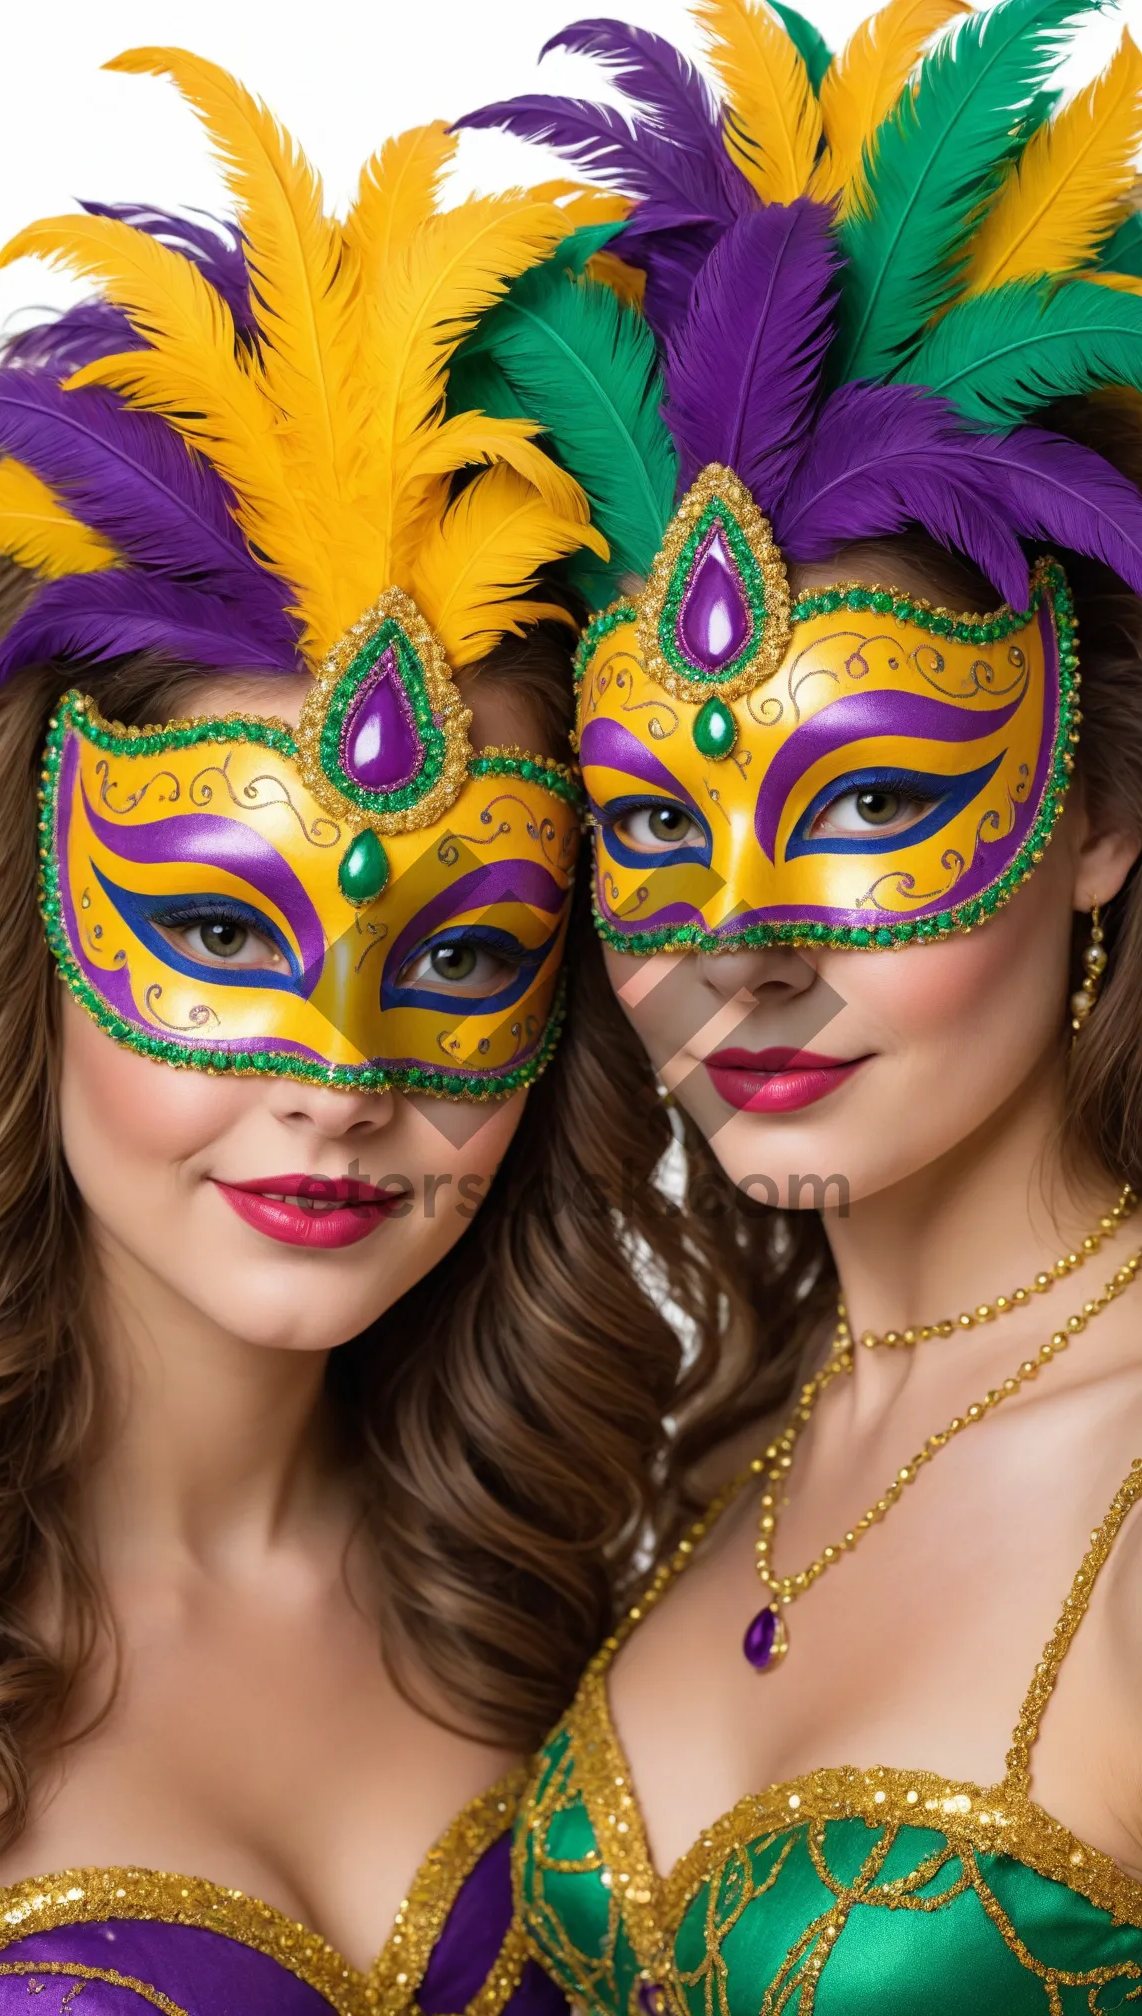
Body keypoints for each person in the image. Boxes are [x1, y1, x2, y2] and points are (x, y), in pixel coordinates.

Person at [0, 47, 694, 2015]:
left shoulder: (611, 1579)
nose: (343, 1084)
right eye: (219, 927)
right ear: (29, 929)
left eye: (465, 957)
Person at [463, 0, 1142, 2007]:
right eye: (658, 827)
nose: (740, 950)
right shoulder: (697, 1446)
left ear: (1098, 814)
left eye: (864, 800)